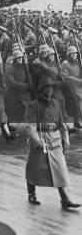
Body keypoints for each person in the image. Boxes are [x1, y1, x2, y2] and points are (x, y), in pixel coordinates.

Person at [24, 77, 80, 209]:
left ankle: (65, 198)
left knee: (60, 169)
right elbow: (30, 126)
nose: (50, 90)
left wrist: (65, 139)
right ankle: (31, 194)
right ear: (41, 90)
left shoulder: (56, 103)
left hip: (55, 139)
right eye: (47, 87)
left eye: (51, 87)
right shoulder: (33, 106)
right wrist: (36, 141)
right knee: (34, 167)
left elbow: (62, 124)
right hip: (40, 137)